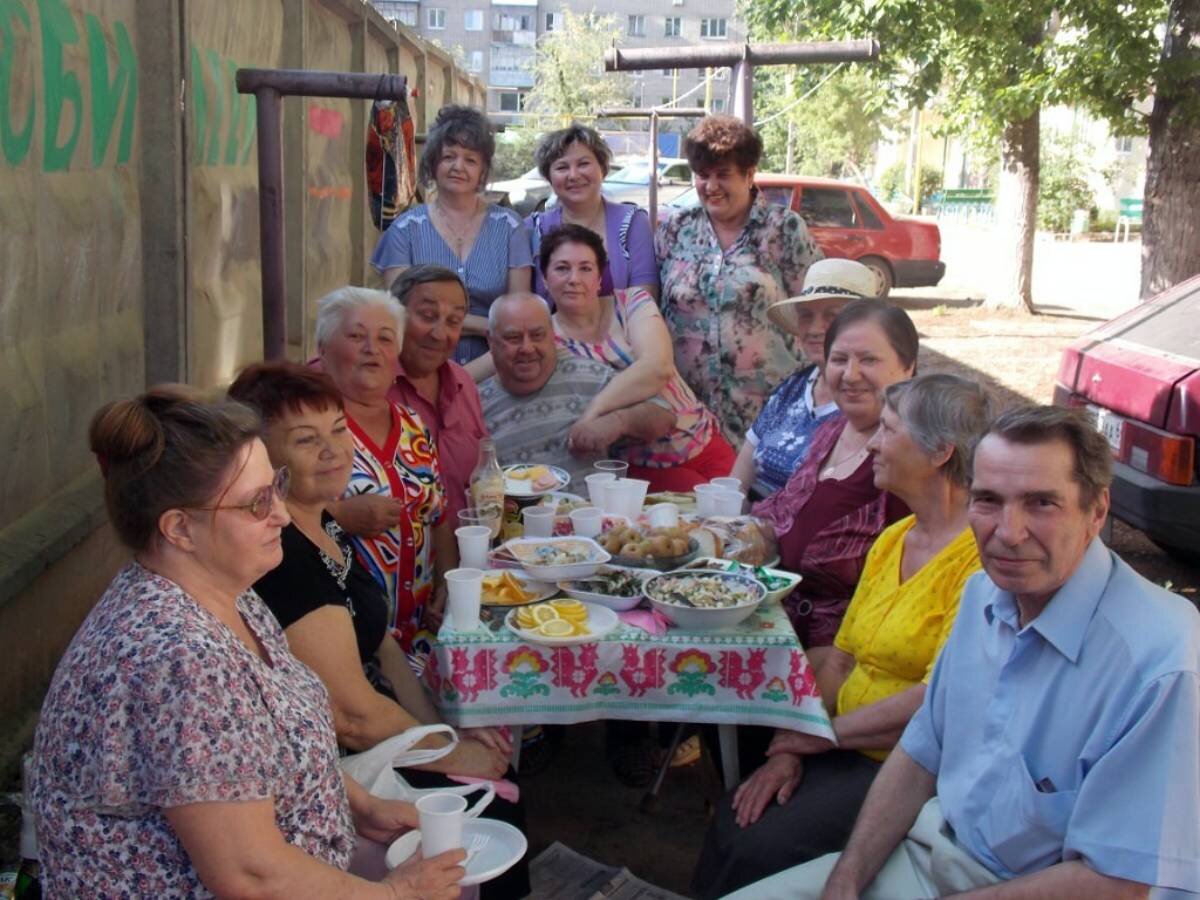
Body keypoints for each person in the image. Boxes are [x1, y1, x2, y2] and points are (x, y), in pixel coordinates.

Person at [727, 405, 1200, 899]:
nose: (1009, 532)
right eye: (989, 501)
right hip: (928, 856)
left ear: (1097, 510)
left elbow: (1117, 882)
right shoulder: (981, 595)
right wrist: (846, 879)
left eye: (1041, 503)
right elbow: (920, 753)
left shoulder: (1157, 659)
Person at [30, 387, 464, 898]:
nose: (281, 514)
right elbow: (249, 874)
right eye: (257, 502)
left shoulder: (224, 592)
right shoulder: (179, 657)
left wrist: (361, 807)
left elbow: (271, 751)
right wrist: (396, 894)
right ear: (180, 530)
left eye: (275, 486)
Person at [230, 361, 531, 900]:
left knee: (496, 771)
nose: (334, 451)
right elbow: (351, 717)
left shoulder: (322, 522)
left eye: (338, 429)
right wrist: (455, 754)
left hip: (376, 737)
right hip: (330, 769)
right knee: (495, 805)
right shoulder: (284, 559)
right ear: (260, 459)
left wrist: (442, 731)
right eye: (306, 440)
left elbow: (383, 646)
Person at [694, 374, 990, 897]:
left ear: (940, 452)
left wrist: (821, 737)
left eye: (889, 431)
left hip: (908, 764)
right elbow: (839, 660)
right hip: (843, 739)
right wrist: (793, 746)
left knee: (757, 844)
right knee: (735, 818)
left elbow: (936, 699)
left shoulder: (979, 565)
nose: (872, 443)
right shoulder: (895, 539)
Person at [752, 299, 917, 650]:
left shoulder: (910, 456)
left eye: (869, 360)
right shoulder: (834, 428)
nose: (850, 374)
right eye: (839, 360)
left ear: (908, 368)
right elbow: (786, 509)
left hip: (841, 652)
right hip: (779, 623)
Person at [656, 114, 823, 445]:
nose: (711, 186)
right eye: (702, 176)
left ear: (749, 175)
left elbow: (816, 310)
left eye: (723, 175)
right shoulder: (676, 230)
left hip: (769, 415)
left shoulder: (783, 229)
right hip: (688, 417)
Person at [540, 224, 735, 491]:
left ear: (599, 279)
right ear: (544, 279)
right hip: (643, 467)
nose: (574, 278)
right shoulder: (544, 336)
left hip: (704, 442)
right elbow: (494, 360)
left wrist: (593, 413)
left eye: (585, 268)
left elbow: (657, 368)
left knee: (739, 522)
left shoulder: (632, 302)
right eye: (562, 268)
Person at [317, 286, 455, 652]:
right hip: (348, 642)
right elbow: (272, 511)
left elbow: (437, 515)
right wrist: (340, 516)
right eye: (356, 336)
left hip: (421, 636)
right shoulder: (308, 429)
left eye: (385, 338)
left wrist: (446, 585)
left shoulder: (413, 423)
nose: (371, 349)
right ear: (323, 350)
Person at [370, 105, 532, 364]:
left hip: (497, 368)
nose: (459, 166)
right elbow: (401, 312)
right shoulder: (404, 229)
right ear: (433, 163)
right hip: (421, 365)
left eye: (470, 160)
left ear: (483, 171)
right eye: (449, 157)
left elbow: (518, 314)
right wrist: (485, 326)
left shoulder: (510, 228)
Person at [479, 292, 677, 485]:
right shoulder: (474, 404)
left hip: (588, 514)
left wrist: (619, 422)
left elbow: (665, 417)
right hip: (512, 516)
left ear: (552, 335)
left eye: (537, 335)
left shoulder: (588, 374)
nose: (527, 348)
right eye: (513, 338)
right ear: (491, 340)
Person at [730, 259, 875, 498]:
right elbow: (737, 482)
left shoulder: (867, 401)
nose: (816, 329)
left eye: (832, 315)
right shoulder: (792, 388)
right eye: (806, 316)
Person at [387, 265, 489, 522]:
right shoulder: (370, 384)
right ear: (394, 315)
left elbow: (483, 474)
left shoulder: (463, 383)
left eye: (454, 321)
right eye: (427, 315)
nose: (439, 334)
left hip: (466, 553)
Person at [525, 123, 660, 301]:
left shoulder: (633, 222)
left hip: (624, 328)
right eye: (562, 167)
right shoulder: (532, 229)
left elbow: (645, 301)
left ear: (602, 169)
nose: (573, 175)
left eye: (583, 164)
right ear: (548, 176)